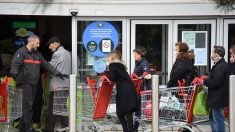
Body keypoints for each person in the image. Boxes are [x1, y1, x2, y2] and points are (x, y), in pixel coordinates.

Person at [11, 35, 67, 132]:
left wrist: (58, 73)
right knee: (28, 106)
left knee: (28, 106)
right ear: (31, 42)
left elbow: (46, 65)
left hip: (34, 83)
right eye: (37, 43)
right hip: (24, 83)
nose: (38, 45)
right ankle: (28, 128)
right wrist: (15, 72)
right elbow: (15, 64)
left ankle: (23, 128)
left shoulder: (38, 54)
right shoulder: (21, 52)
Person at [44, 36, 71, 132]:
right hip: (66, 85)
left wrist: (46, 63)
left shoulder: (57, 54)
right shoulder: (68, 53)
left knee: (53, 108)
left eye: (50, 45)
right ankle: (66, 127)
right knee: (61, 107)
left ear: (56, 43)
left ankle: (49, 129)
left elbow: (50, 67)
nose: (49, 47)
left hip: (57, 86)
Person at [107, 50, 137, 132]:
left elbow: (112, 77)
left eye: (109, 57)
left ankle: (126, 130)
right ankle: (129, 130)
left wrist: (106, 75)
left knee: (120, 113)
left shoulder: (112, 65)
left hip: (123, 90)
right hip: (130, 89)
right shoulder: (121, 65)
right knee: (128, 112)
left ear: (112, 57)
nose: (108, 59)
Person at [203, 45, 231, 132]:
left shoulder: (221, 66)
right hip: (217, 98)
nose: (211, 54)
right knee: (213, 118)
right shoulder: (219, 65)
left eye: (212, 52)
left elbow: (216, 82)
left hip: (218, 98)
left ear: (217, 54)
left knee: (218, 119)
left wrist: (205, 81)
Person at [132, 46, 151, 132]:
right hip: (138, 89)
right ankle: (135, 127)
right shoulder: (139, 63)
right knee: (137, 109)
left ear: (139, 54)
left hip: (141, 90)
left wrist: (140, 78)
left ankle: (135, 127)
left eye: (135, 54)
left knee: (138, 109)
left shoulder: (143, 63)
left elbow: (148, 74)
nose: (134, 56)